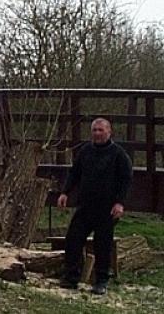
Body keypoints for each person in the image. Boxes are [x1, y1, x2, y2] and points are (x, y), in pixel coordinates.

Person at [57, 117, 133, 295]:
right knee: (73, 239)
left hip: (107, 209)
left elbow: (126, 180)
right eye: (94, 130)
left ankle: (101, 281)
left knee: (102, 245)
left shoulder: (118, 154)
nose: (97, 134)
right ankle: (71, 277)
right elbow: (74, 173)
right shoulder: (85, 151)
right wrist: (64, 192)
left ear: (109, 131)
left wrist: (120, 203)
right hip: (85, 206)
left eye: (101, 130)